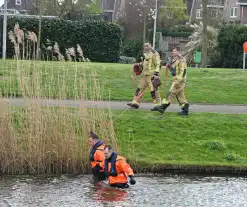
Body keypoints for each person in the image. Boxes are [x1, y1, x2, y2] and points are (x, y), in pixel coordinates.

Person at [152, 46, 189, 115]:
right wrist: (169, 66)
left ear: (178, 52)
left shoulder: (182, 59)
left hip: (179, 81)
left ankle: (162, 107)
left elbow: (183, 71)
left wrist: (178, 80)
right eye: (172, 51)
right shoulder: (176, 59)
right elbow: (173, 69)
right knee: (180, 95)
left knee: (170, 94)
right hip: (176, 80)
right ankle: (185, 109)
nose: (172, 52)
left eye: (174, 51)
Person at [127, 42, 161, 110]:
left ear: (150, 46)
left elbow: (158, 64)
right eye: (145, 46)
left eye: (147, 46)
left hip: (152, 75)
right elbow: (144, 64)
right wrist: (139, 65)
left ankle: (158, 104)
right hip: (144, 75)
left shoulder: (154, 54)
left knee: (154, 90)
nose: (146, 47)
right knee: (139, 88)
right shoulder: (145, 54)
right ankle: (135, 102)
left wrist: (156, 74)